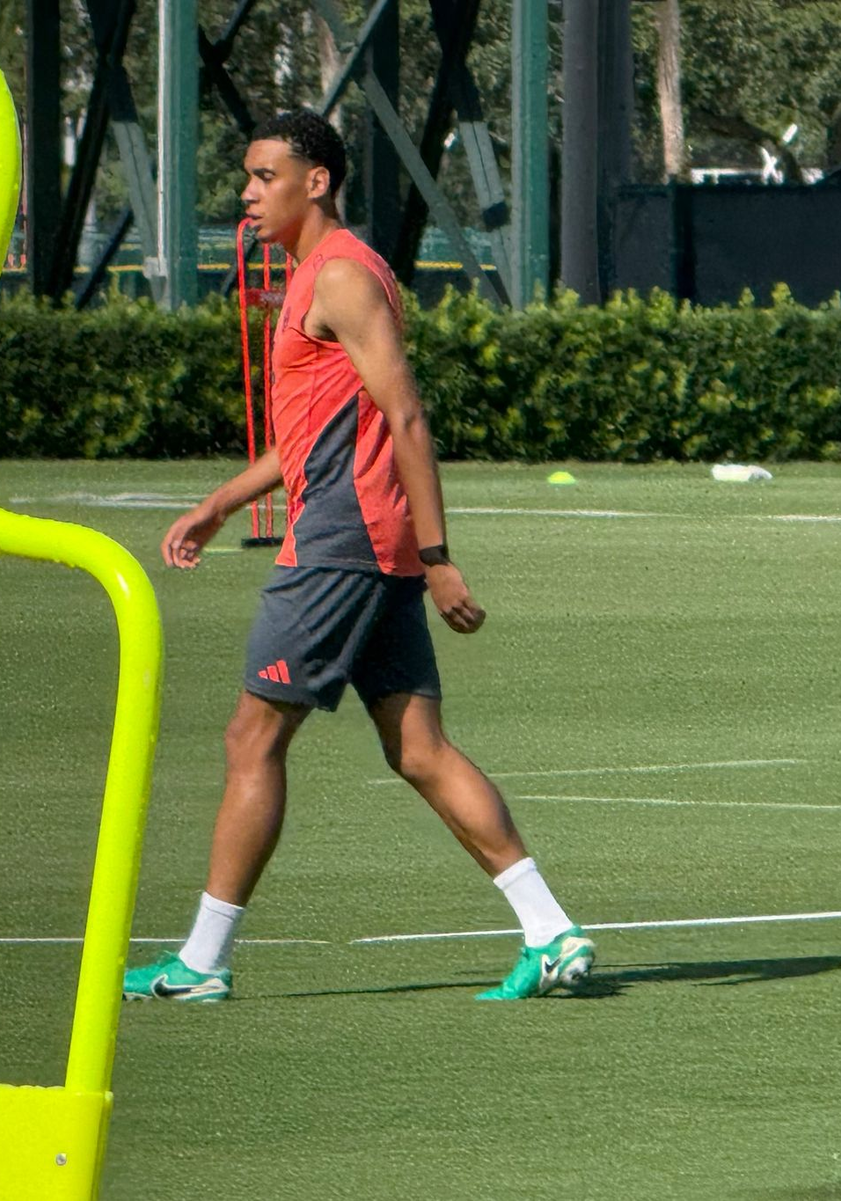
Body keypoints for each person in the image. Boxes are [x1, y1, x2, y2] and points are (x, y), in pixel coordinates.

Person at [124, 110, 593, 1003]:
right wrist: (223, 501)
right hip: (366, 544)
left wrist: (440, 554)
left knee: (251, 735)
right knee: (418, 749)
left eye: (266, 176)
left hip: (343, 546)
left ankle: (202, 960)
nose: (248, 193)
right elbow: (310, 435)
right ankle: (552, 929)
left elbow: (407, 415)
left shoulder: (339, 277)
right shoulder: (321, 278)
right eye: (248, 176)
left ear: (318, 181)